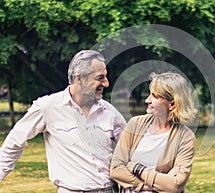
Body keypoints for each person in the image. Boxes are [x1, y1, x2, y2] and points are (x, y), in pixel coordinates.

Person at [0, 50, 126, 193]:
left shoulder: (110, 112)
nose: (106, 83)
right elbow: (14, 143)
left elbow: (131, 151)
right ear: (79, 79)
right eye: (100, 78)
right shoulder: (48, 107)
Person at [110, 72, 197, 193]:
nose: (147, 100)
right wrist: (148, 186)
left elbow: (175, 186)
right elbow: (116, 170)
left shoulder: (186, 137)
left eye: (155, 96)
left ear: (172, 104)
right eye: (149, 94)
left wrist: (136, 168)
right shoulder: (135, 124)